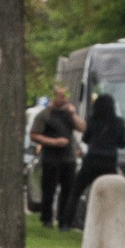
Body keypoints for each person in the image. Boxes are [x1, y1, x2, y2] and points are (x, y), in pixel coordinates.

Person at [34, 86, 80, 229]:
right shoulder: (44, 114)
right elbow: (34, 134)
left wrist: (73, 114)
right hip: (50, 158)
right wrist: (53, 142)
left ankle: (64, 220)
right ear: (54, 97)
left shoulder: (69, 114)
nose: (64, 99)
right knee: (49, 190)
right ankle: (47, 219)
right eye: (61, 96)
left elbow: (82, 128)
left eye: (65, 96)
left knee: (68, 190)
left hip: (69, 158)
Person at [78, 90, 125, 216]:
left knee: (76, 190)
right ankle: (110, 216)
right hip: (109, 161)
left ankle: (66, 222)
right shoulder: (119, 122)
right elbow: (122, 144)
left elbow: (85, 139)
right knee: (111, 191)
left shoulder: (92, 120)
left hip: (92, 159)